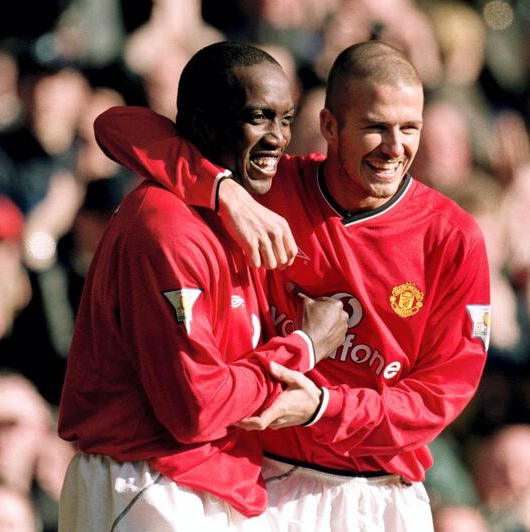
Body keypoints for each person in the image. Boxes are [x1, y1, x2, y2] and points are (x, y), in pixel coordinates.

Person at [95, 40, 490, 530]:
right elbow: (115, 126)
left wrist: (324, 407)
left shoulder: (452, 237)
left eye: (409, 128)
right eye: (375, 128)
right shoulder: (271, 184)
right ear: (329, 127)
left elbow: (442, 394)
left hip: (380, 493)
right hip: (268, 482)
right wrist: (222, 192)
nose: (395, 148)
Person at [57, 41, 348, 531]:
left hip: (210, 484)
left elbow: (117, 125)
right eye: (259, 116)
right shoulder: (166, 228)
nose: (278, 137)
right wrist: (302, 348)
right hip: (149, 485)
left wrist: (221, 189)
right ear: (201, 123)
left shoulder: (252, 196)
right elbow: (195, 409)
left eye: (285, 118)